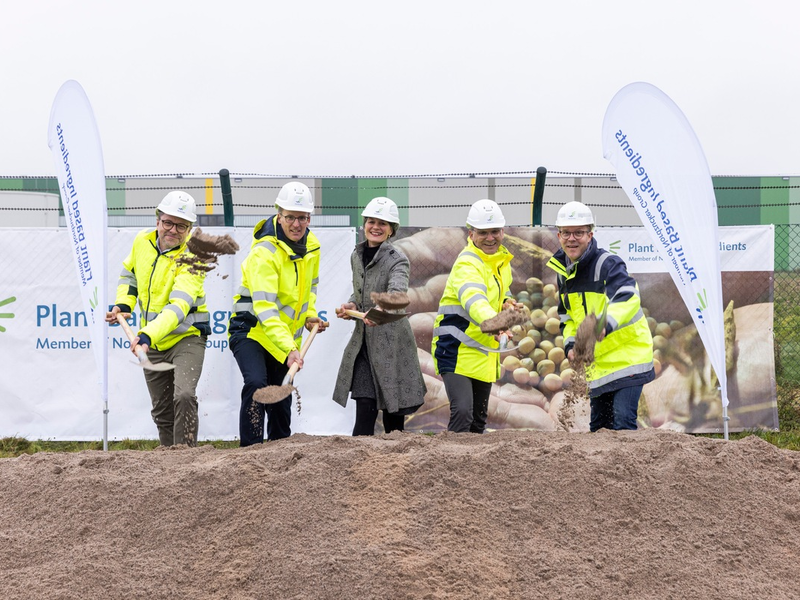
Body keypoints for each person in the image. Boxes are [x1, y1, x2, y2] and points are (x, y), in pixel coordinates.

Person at [105, 191, 209, 447]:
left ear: (189, 229)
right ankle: (168, 465)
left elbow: (178, 306)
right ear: (158, 220)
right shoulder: (142, 241)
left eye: (181, 226)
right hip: (153, 341)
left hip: (186, 337)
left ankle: (185, 457)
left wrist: (147, 335)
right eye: (168, 222)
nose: (173, 230)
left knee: (184, 396)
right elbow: (129, 275)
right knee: (162, 410)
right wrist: (124, 304)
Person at [229, 181, 329, 446]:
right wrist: (289, 349)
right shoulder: (264, 252)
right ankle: (250, 453)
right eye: (291, 217)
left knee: (281, 395)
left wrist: (310, 314)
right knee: (257, 385)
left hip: (281, 338)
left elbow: (310, 288)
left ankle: (280, 454)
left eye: (303, 218)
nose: (297, 224)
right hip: (251, 330)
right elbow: (265, 309)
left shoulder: (313, 247)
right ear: (279, 215)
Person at [546, 200, 655, 431]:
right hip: (599, 365)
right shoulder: (563, 273)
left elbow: (627, 295)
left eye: (579, 233)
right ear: (559, 236)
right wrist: (570, 347)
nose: (572, 238)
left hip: (628, 357)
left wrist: (606, 323)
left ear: (590, 234)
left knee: (622, 421)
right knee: (599, 428)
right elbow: (567, 318)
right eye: (566, 233)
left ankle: (629, 468)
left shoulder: (608, 264)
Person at [332, 197, 425, 435]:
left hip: (391, 344)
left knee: (394, 417)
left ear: (391, 229)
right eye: (371, 221)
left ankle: (396, 466)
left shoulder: (398, 260)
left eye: (383, 223)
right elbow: (360, 291)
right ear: (364, 224)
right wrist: (352, 305)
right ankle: (357, 464)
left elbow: (397, 294)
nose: (376, 227)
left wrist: (381, 311)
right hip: (364, 342)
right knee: (365, 405)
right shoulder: (356, 255)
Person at [431, 199, 519, 433]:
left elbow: (499, 290)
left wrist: (506, 301)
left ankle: (472, 468)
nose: (490, 238)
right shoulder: (467, 263)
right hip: (455, 349)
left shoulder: (501, 261)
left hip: (483, 351)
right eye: (483, 233)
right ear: (471, 234)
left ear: (503, 232)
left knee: (479, 419)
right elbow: (474, 300)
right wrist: (496, 323)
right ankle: (450, 464)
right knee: (463, 412)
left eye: (494, 232)